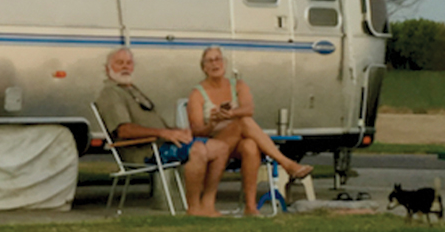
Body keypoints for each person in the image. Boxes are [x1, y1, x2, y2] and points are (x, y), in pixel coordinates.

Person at [96, 46, 230, 217]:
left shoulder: (131, 90)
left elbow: (158, 126)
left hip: (161, 143)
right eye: (119, 63)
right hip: (145, 151)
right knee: (198, 150)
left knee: (221, 148)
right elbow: (124, 130)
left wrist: (177, 131)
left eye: (129, 63)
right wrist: (163, 133)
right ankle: (194, 207)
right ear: (108, 68)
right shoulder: (111, 94)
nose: (125, 67)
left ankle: (208, 204)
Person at [186, 46, 313, 216]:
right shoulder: (197, 94)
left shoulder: (237, 85)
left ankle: (251, 207)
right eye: (210, 60)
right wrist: (213, 123)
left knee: (250, 145)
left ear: (225, 63)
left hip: (236, 143)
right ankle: (286, 163)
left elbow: (249, 108)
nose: (215, 63)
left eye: (218, 59)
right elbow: (197, 131)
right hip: (214, 143)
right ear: (204, 67)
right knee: (242, 123)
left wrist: (231, 113)